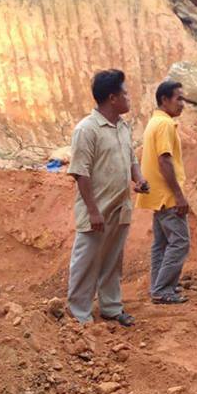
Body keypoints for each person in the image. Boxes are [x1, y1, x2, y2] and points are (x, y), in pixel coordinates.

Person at [67, 69, 149, 326]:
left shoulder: (123, 126)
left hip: (120, 207)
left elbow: (131, 158)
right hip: (97, 210)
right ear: (112, 98)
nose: (129, 97)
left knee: (113, 261)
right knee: (86, 261)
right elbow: (80, 172)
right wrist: (92, 211)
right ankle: (79, 314)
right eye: (125, 93)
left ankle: (111, 307)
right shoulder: (86, 130)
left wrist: (139, 179)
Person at [136, 80, 190, 305]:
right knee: (180, 242)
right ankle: (163, 289)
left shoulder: (154, 122)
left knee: (160, 244)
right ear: (164, 100)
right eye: (178, 98)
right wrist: (178, 194)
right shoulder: (165, 125)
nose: (182, 104)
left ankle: (157, 286)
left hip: (156, 195)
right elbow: (164, 160)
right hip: (167, 196)